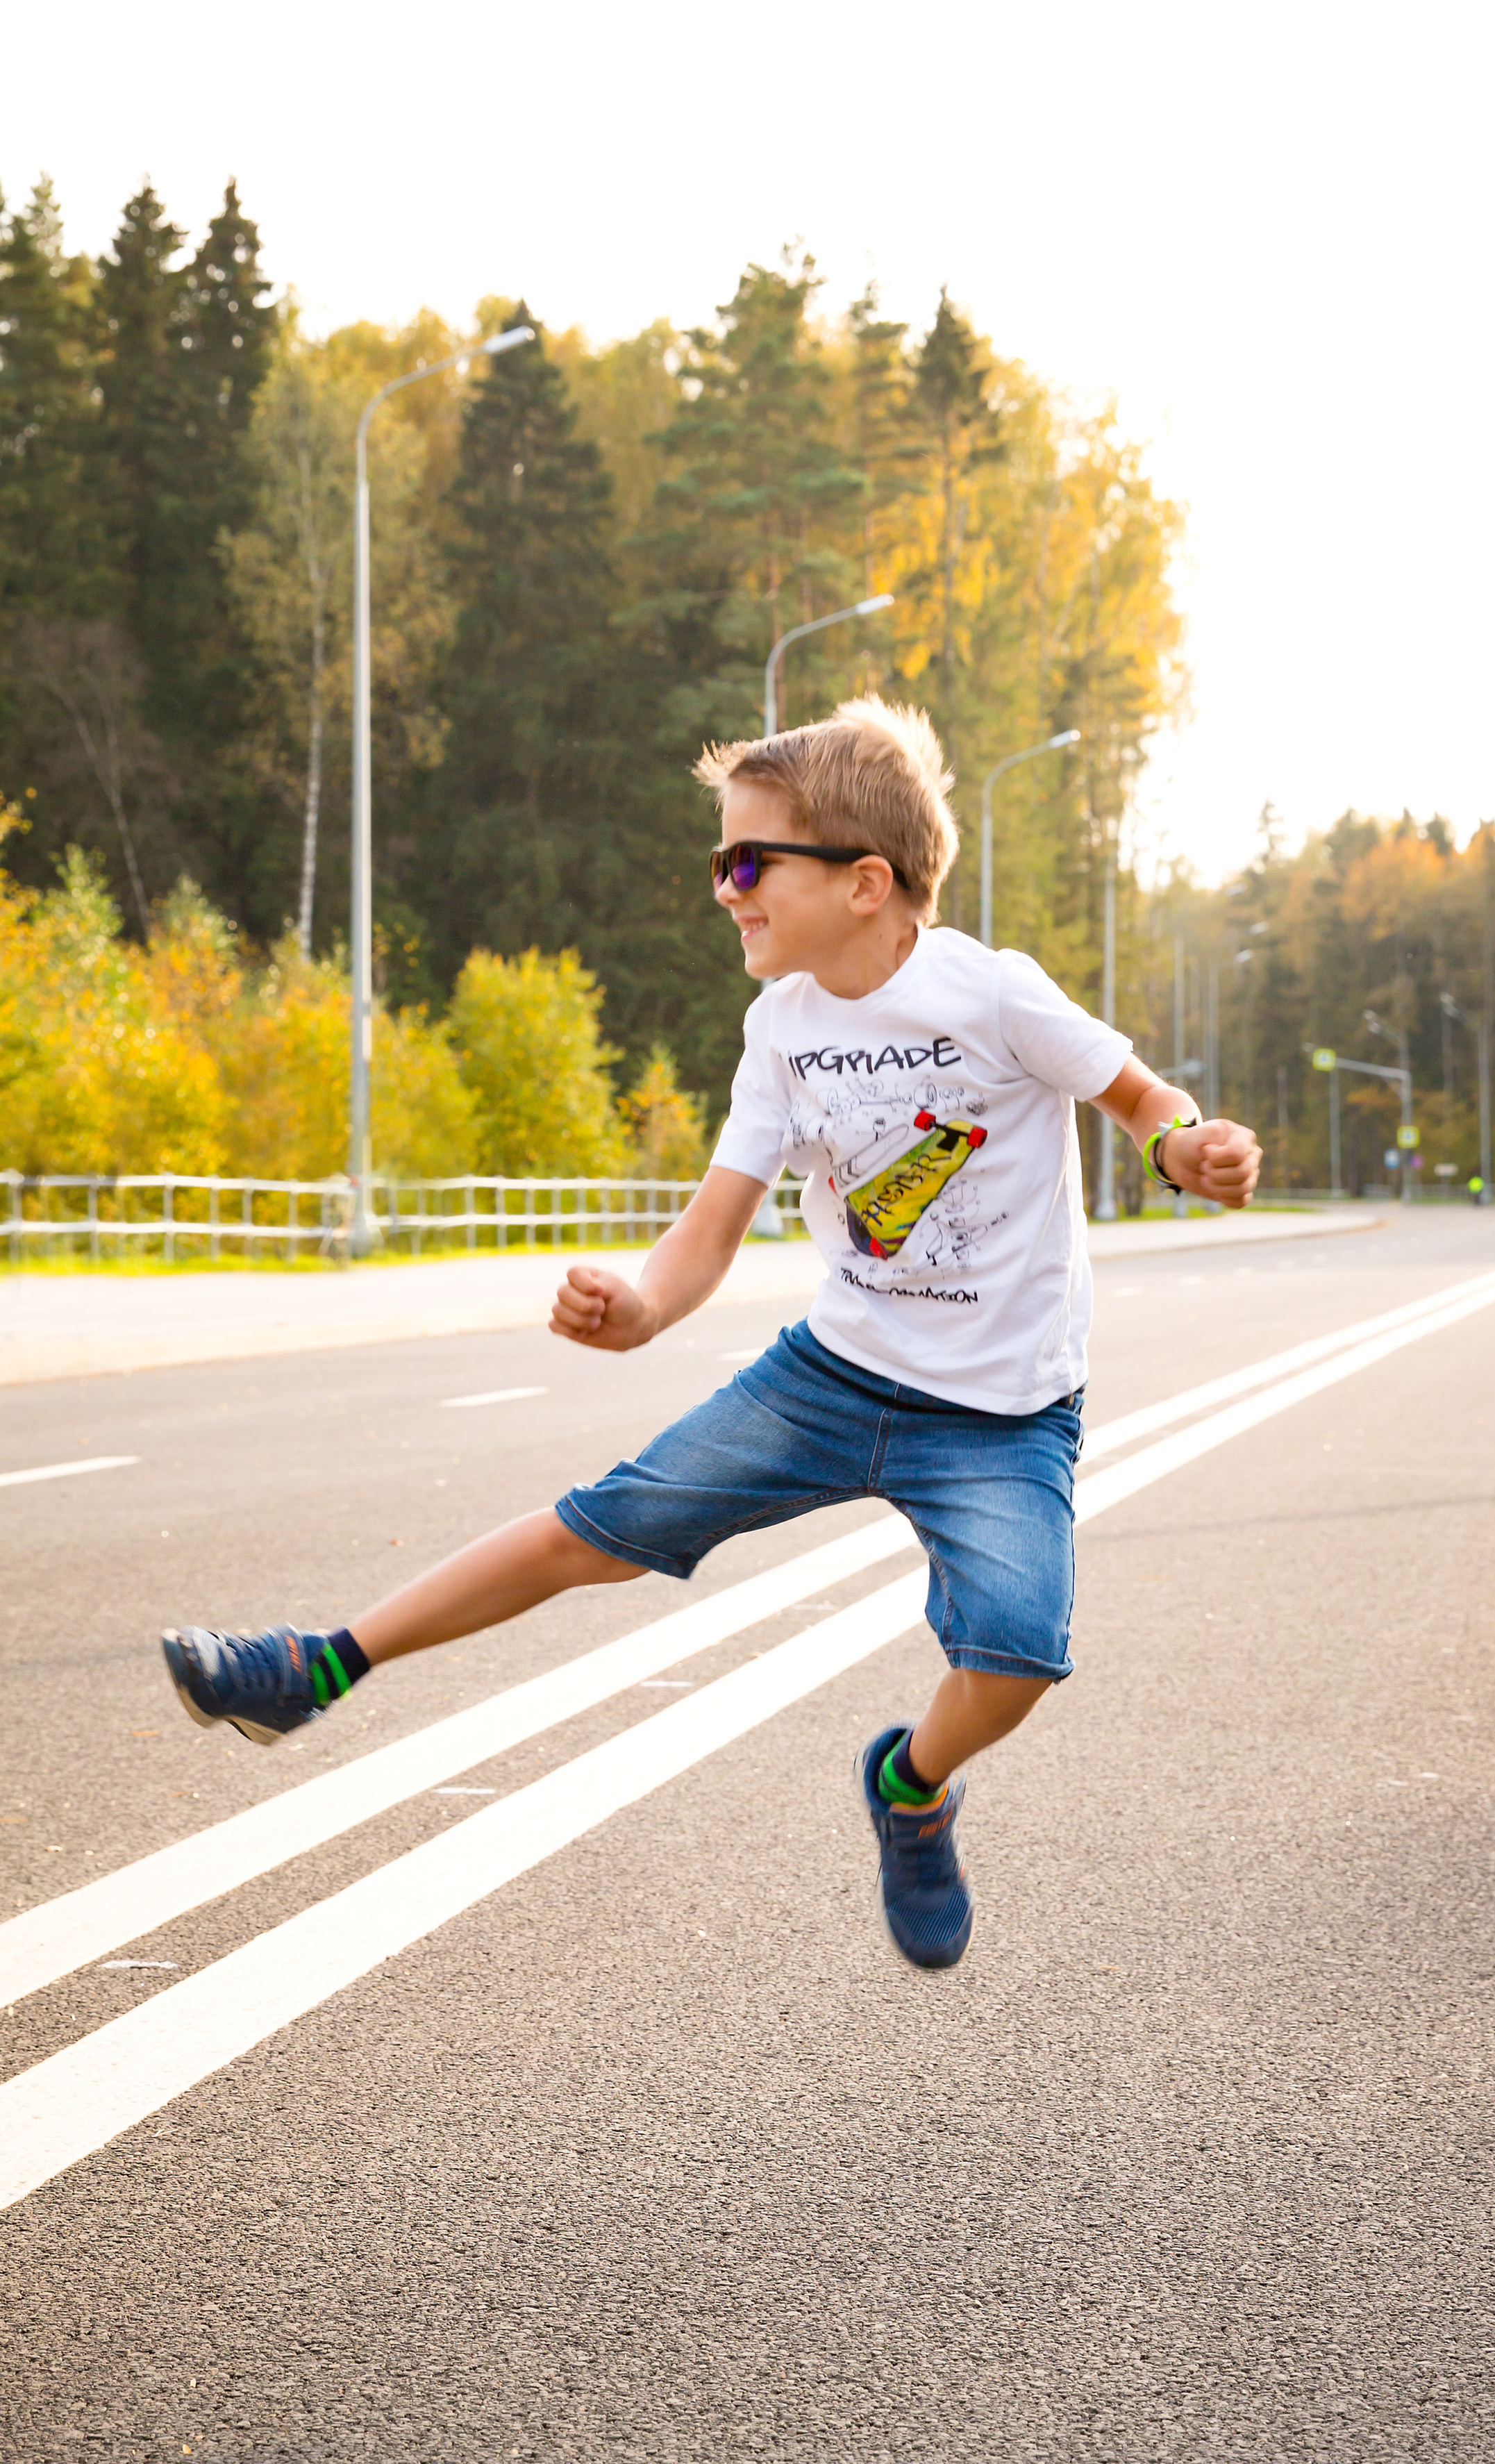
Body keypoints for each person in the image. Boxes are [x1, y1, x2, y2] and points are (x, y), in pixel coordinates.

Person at [162, 699, 1263, 1967]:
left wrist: (1187, 1148)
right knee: (602, 1530)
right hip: (836, 1376)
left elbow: (1137, 1098)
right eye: (717, 865)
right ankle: (315, 1667)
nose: (725, 891)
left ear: (865, 882)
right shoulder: (783, 1028)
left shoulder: (994, 994)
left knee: (1017, 1652)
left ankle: (910, 1788)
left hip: (1004, 1413)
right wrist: (638, 1309)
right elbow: (708, 1231)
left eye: (748, 864)